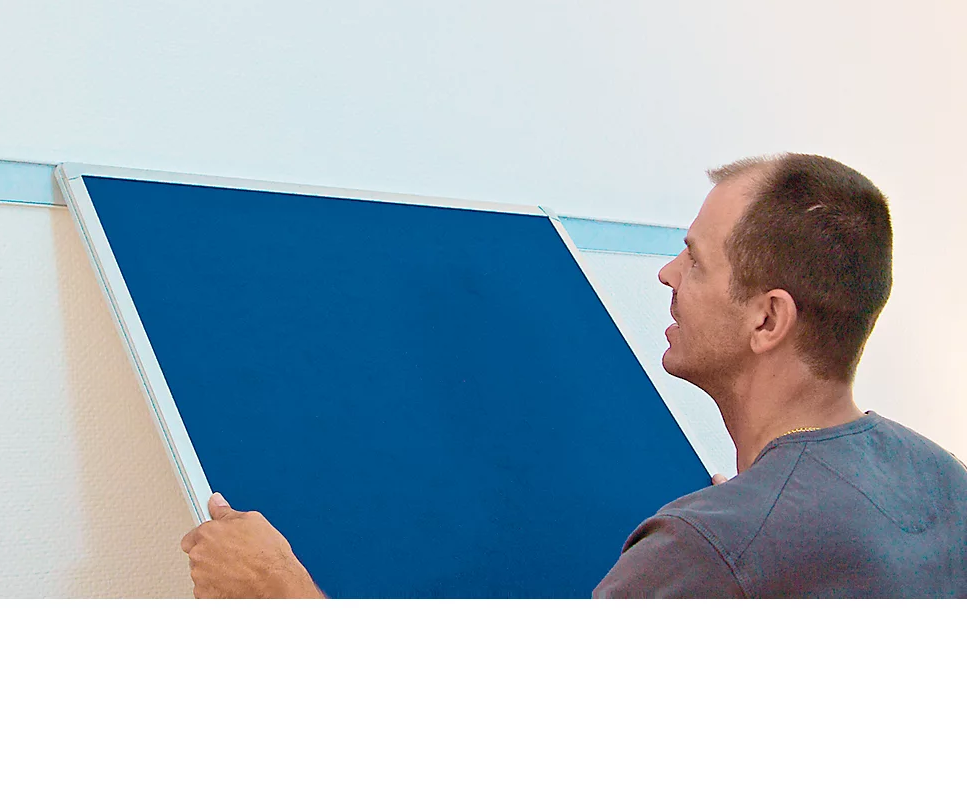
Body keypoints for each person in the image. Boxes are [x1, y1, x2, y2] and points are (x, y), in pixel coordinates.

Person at [180, 153, 967, 598]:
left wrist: (283, 601)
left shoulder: (710, 548)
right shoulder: (939, 481)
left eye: (694, 260)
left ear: (768, 319)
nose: (666, 275)